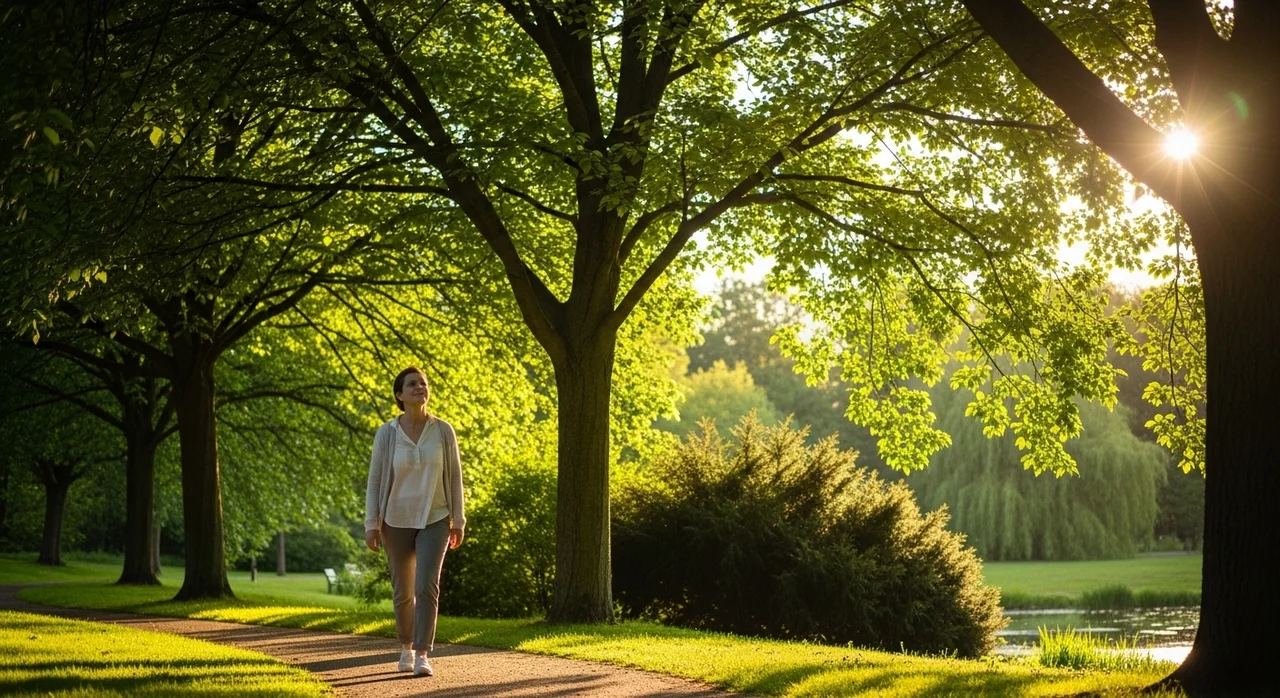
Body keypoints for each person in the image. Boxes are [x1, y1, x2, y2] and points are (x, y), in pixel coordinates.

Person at [364, 366, 465, 677]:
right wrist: (372, 522)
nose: (420, 387)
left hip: (435, 517)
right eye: (412, 384)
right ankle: (405, 647)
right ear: (400, 395)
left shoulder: (443, 430)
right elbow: (376, 478)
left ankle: (422, 653)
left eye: (423, 383)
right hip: (395, 519)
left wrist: (458, 519)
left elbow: (455, 477)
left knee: (427, 586)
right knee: (403, 590)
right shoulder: (387, 433)